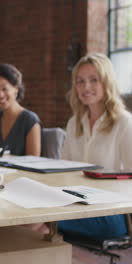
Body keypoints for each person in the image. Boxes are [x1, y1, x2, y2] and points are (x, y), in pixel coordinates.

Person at [59, 53, 132, 240]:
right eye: (80, 81)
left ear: (107, 83)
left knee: (40, 221)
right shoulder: (74, 122)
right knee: (36, 215)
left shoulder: (124, 123)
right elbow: (63, 170)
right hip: (76, 202)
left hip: (113, 212)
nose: (86, 87)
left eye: (94, 80)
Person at [0, 64, 41, 156]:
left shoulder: (29, 120)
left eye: (4, 89)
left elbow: (33, 161)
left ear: (16, 89)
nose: (0, 95)